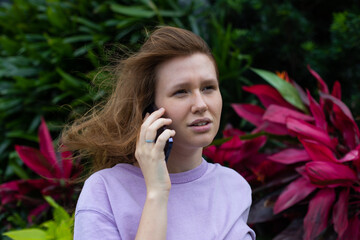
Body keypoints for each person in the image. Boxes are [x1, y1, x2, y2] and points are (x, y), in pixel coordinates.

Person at [62, 26, 256, 240]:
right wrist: (156, 192)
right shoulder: (105, 191)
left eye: (208, 87)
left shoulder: (233, 188)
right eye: (181, 92)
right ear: (150, 109)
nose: (200, 104)